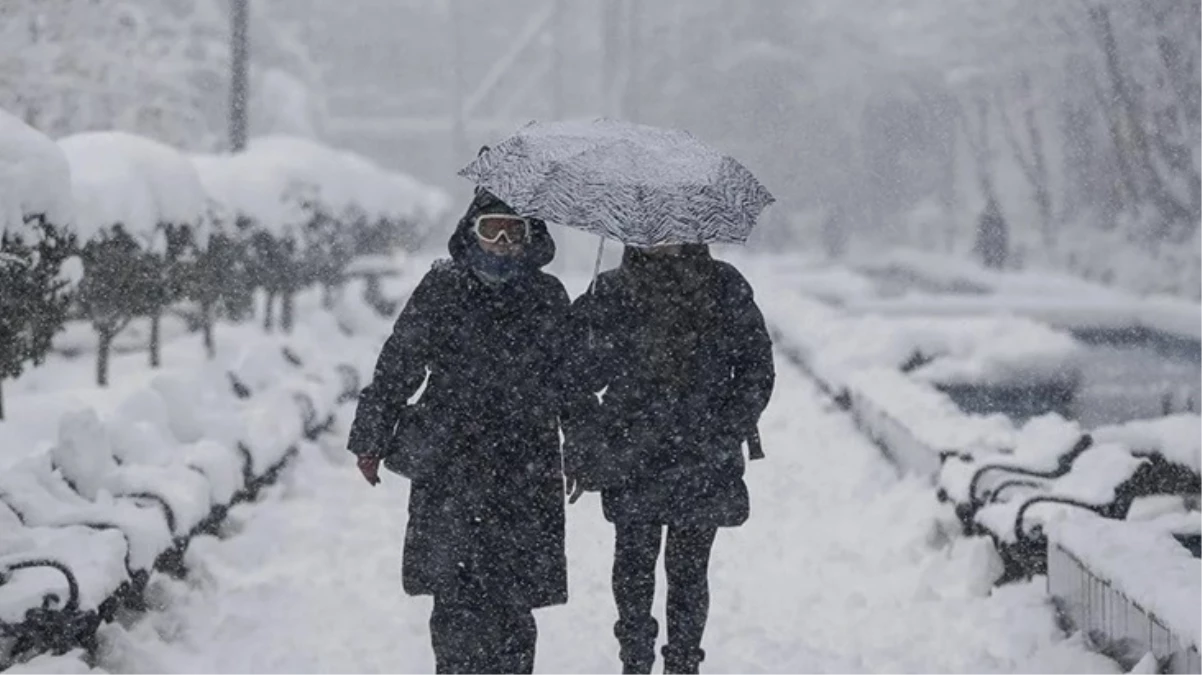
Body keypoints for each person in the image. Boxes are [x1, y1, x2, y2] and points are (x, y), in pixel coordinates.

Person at [347, 187, 570, 674]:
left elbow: (569, 382)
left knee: (514, 603)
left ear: (532, 237)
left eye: (515, 230)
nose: (503, 241)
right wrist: (371, 438)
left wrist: (584, 447)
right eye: (492, 228)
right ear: (472, 232)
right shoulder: (443, 286)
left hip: (524, 464)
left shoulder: (547, 296)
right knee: (454, 595)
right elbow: (398, 365)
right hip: (451, 463)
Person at [564, 244, 775, 675]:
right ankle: (635, 658)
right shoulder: (611, 290)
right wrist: (588, 441)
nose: (662, 238)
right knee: (633, 562)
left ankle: (683, 661)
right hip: (632, 452)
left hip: (702, 454)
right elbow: (577, 376)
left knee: (689, 570)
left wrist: (725, 427)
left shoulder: (724, 285)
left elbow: (756, 367)